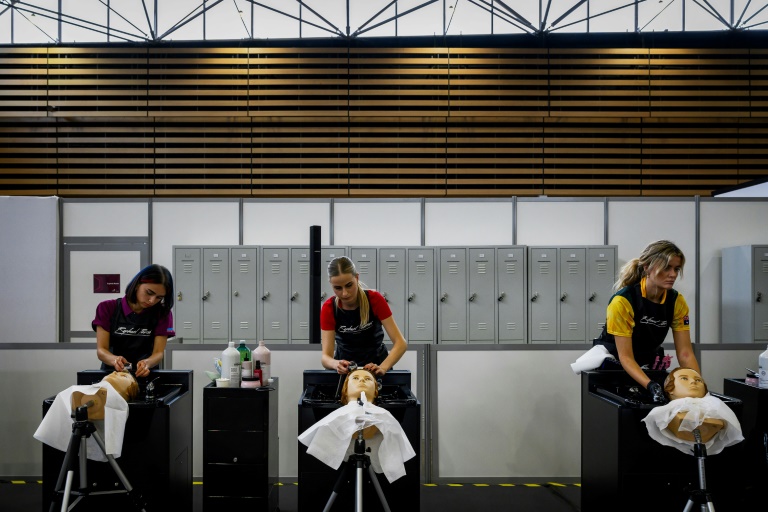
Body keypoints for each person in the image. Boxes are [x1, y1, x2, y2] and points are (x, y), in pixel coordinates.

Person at [594, 240, 700, 402]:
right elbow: (626, 357)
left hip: (647, 365)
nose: (673, 274)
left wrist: (698, 385)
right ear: (647, 268)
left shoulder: (677, 301)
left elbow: (685, 353)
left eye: (676, 269)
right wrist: (650, 385)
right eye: (666, 268)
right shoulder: (623, 301)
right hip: (614, 369)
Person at [298, 368, 416, 483]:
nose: (361, 380)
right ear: (345, 390)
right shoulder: (337, 417)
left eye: (367, 379)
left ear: (376, 391)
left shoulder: (385, 416)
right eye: (355, 378)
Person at [321, 256, 407, 376]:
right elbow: (325, 358)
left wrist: (383, 367)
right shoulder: (329, 308)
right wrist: (336, 364)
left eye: (349, 285)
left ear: (356, 277)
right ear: (331, 285)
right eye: (338, 288)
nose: (345, 293)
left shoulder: (375, 300)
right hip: (346, 373)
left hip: (376, 369)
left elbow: (400, 343)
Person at [93, 264, 175, 378]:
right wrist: (115, 360)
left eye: (159, 297)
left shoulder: (163, 314)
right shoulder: (107, 308)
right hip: (112, 376)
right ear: (137, 285)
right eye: (149, 293)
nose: (152, 301)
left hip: (145, 376)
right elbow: (101, 350)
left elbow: (158, 353)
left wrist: (147, 363)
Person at [642, 367, 743, 455]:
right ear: (670, 389)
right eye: (684, 378)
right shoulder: (667, 411)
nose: (693, 382)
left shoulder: (715, 406)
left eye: (698, 380)